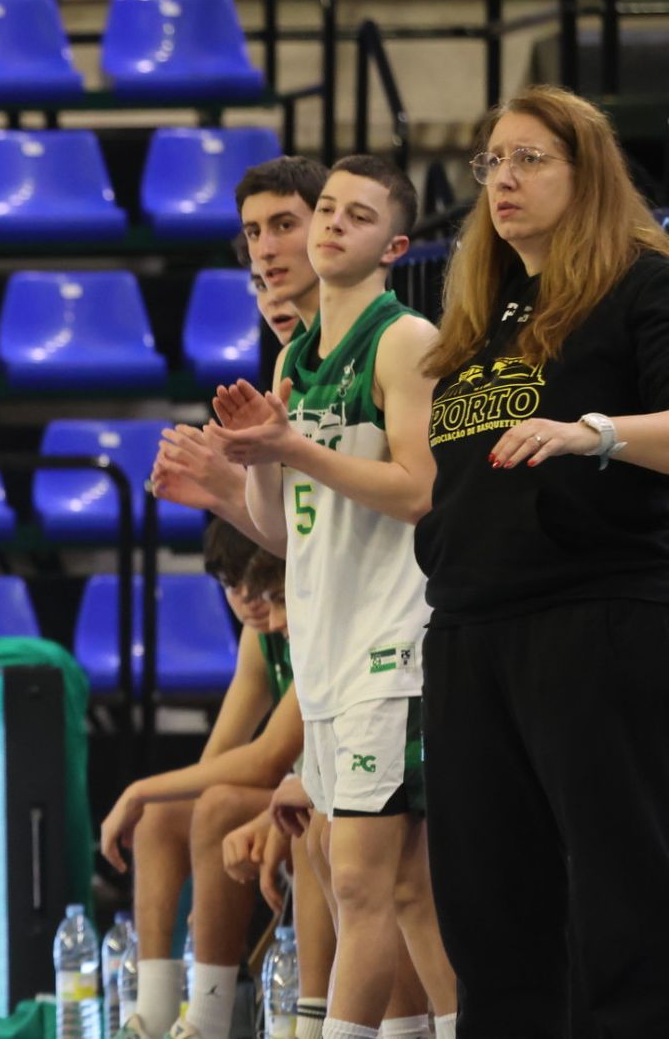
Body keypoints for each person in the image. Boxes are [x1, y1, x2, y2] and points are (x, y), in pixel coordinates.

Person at [412, 84, 669, 1037]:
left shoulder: (645, 282)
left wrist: (594, 431)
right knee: (488, 910)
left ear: (586, 171)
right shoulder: (481, 320)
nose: (501, 180)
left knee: (621, 895)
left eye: (529, 159)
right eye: (490, 163)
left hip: (596, 616)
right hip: (470, 629)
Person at [211, 155, 457, 1039]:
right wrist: (257, 456)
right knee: (403, 887)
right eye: (324, 209)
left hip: (393, 637)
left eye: (355, 215)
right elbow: (284, 531)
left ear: (393, 246)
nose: (327, 225)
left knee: (359, 877)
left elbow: (422, 489)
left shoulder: (406, 339)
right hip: (326, 638)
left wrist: (294, 448)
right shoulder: (291, 355)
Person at [102, 522, 291, 1039]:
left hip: (326, 789)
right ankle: (154, 1014)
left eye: (261, 586)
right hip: (289, 788)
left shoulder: (304, 620)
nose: (250, 602)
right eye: (233, 589)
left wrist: (139, 788)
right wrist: (159, 800)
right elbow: (223, 752)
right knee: (166, 813)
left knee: (214, 806)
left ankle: (206, 1024)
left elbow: (269, 758)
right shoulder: (261, 634)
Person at [150, 156, 328, 548]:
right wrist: (225, 493)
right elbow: (299, 541)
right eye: (253, 232)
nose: (266, 252)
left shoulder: (393, 339)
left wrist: (230, 483)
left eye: (284, 226)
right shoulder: (289, 362)